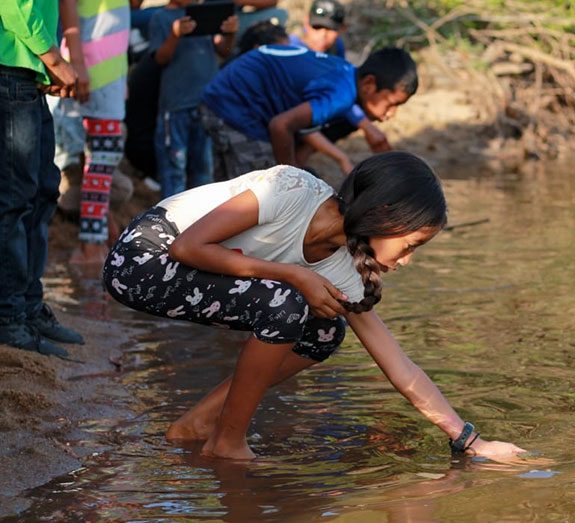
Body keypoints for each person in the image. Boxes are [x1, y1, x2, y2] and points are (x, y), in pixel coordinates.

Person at [103, 151, 526, 461]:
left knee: (325, 332)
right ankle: (227, 441)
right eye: (411, 244)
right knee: (286, 303)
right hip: (143, 258)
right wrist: (294, 274)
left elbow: (399, 365)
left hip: (194, 274)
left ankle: (197, 424)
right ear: (383, 215)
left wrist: (469, 440)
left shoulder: (347, 271)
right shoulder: (291, 189)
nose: (408, 260)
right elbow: (187, 246)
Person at [0, 0, 85, 357]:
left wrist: (48, 63)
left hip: (28, 72)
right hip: (12, 68)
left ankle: (30, 309)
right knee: (14, 202)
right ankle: (9, 318)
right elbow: (14, 5)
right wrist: (55, 59)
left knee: (44, 192)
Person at [201, 45, 415, 181]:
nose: (391, 114)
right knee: (261, 189)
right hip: (237, 106)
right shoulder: (340, 96)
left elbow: (301, 127)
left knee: (228, 189)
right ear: (369, 84)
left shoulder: (345, 72)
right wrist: (290, 176)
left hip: (222, 97)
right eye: (391, 104)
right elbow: (280, 126)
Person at [58, 0, 130, 264]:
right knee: (102, 159)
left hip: (110, 70)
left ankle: (97, 235)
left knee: (101, 160)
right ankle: (90, 247)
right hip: (93, 67)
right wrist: (76, 63)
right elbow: (68, 3)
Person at [288, 0, 393, 172]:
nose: (323, 35)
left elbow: (341, 90)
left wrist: (366, 125)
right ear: (306, 23)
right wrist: (341, 158)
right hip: (287, 114)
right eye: (317, 27)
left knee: (346, 112)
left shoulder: (336, 48)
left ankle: (300, 159)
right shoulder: (292, 49)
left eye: (330, 30)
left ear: (342, 29)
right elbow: (296, 117)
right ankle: (292, 163)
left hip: (309, 113)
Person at [149, 0, 238, 197]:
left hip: (206, 105)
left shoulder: (204, 12)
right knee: (174, 169)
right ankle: (171, 221)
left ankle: (201, 223)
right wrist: (175, 34)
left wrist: (230, 32)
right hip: (175, 105)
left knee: (204, 171)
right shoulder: (161, 17)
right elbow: (160, 58)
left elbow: (224, 50)